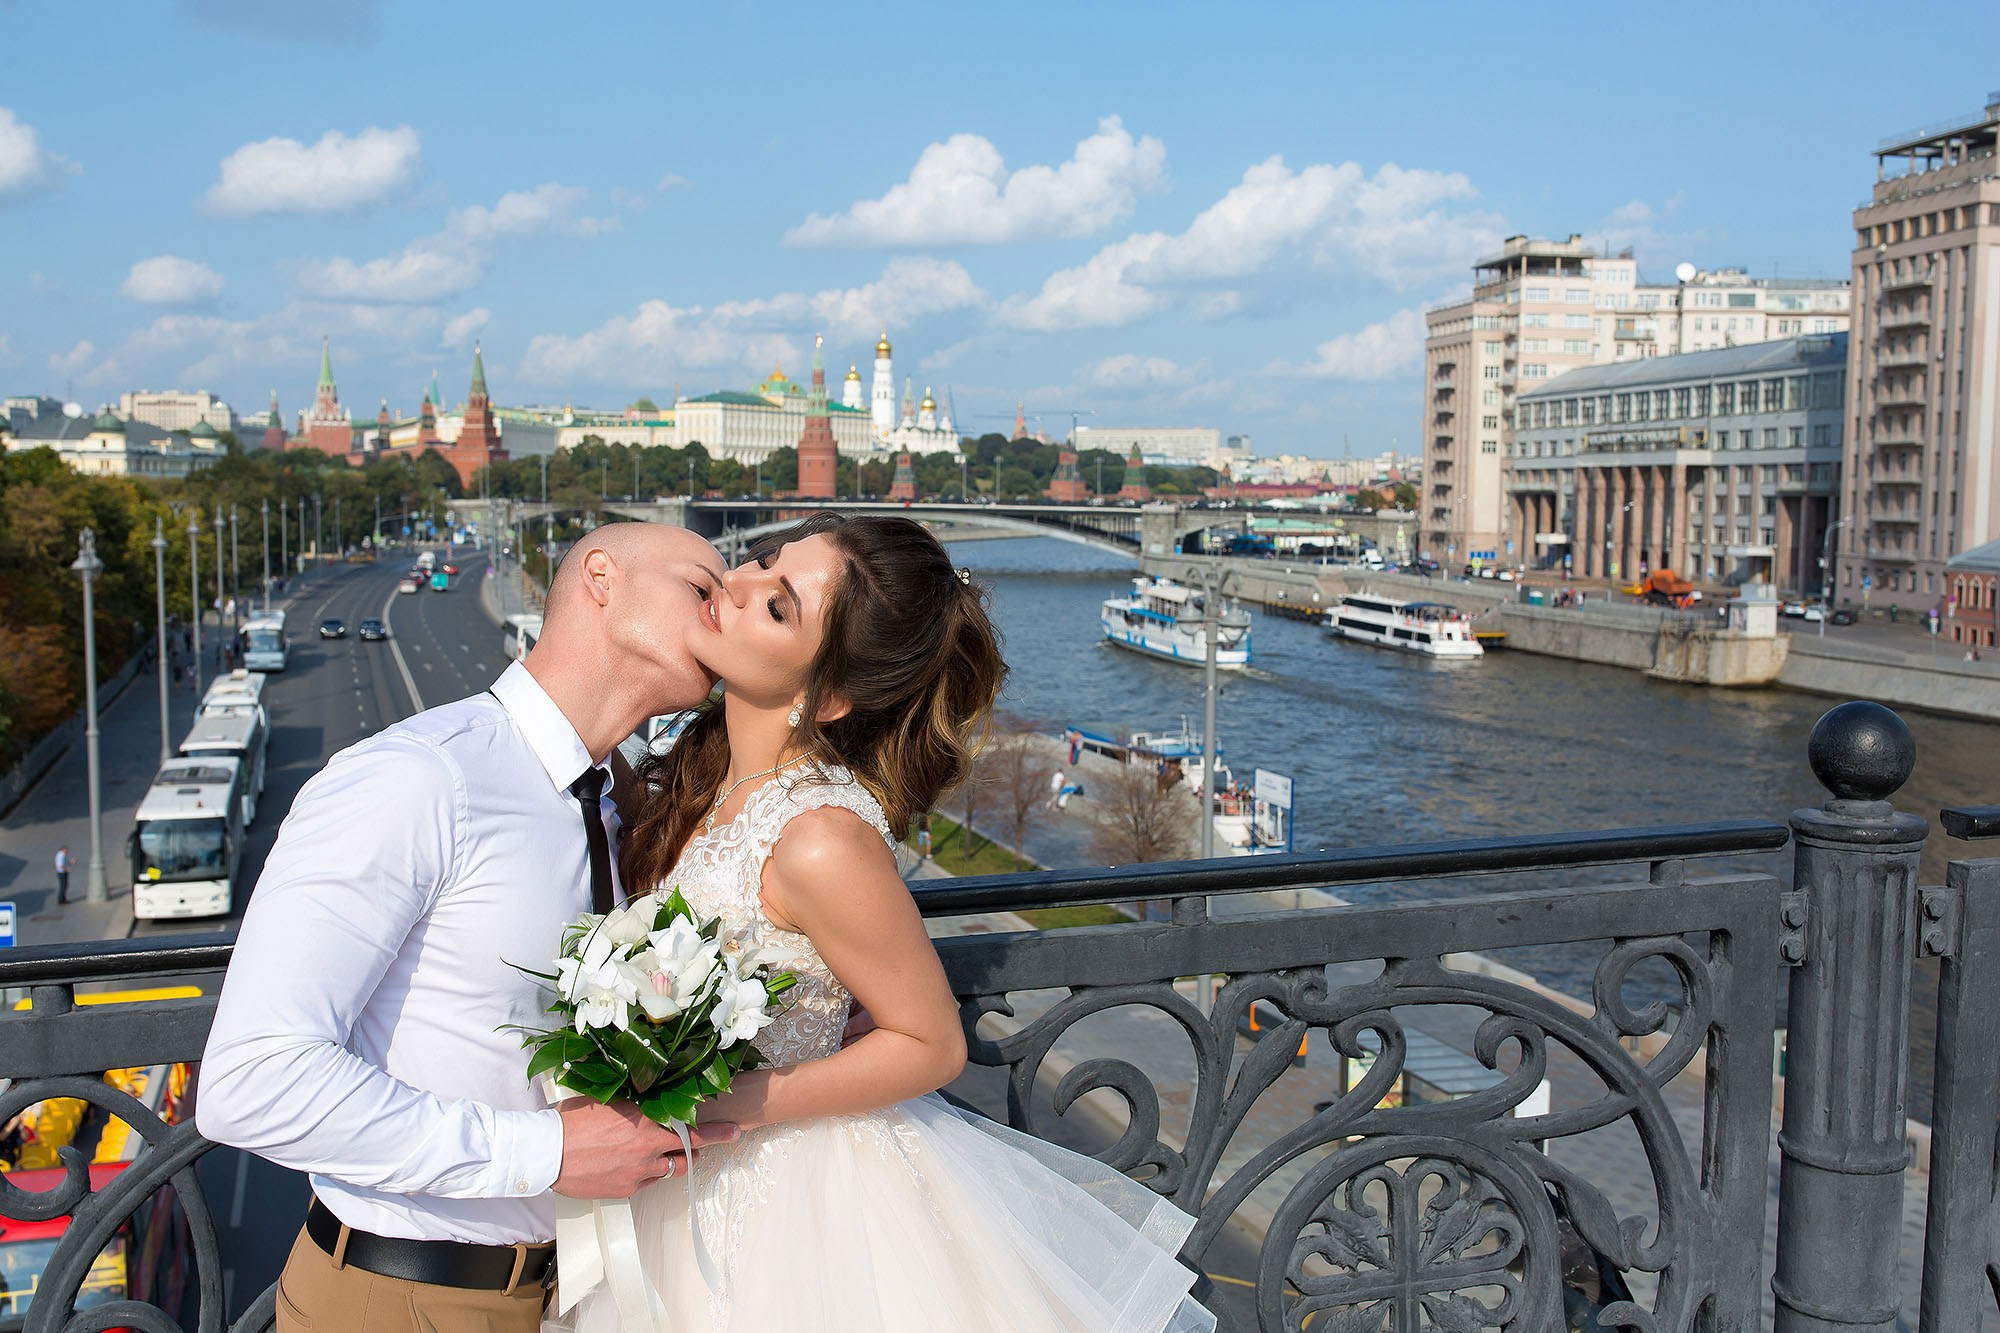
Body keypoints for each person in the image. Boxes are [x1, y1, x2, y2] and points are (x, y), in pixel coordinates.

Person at [592, 513, 1211, 1332]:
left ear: (829, 694)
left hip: (790, 1208)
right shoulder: (703, 777)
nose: (732, 584)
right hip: (685, 1180)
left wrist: (724, 1103)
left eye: (777, 607)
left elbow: (930, 1042)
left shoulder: (818, 837)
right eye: (762, 563)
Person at [199, 523, 739, 1333]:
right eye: (703, 586)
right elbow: (251, 1081)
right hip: (403, 1299)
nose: (721, 615)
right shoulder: (421, 777)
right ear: (601, 578)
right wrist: (547, 1153)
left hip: (579, 1290)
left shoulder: (606, 803)